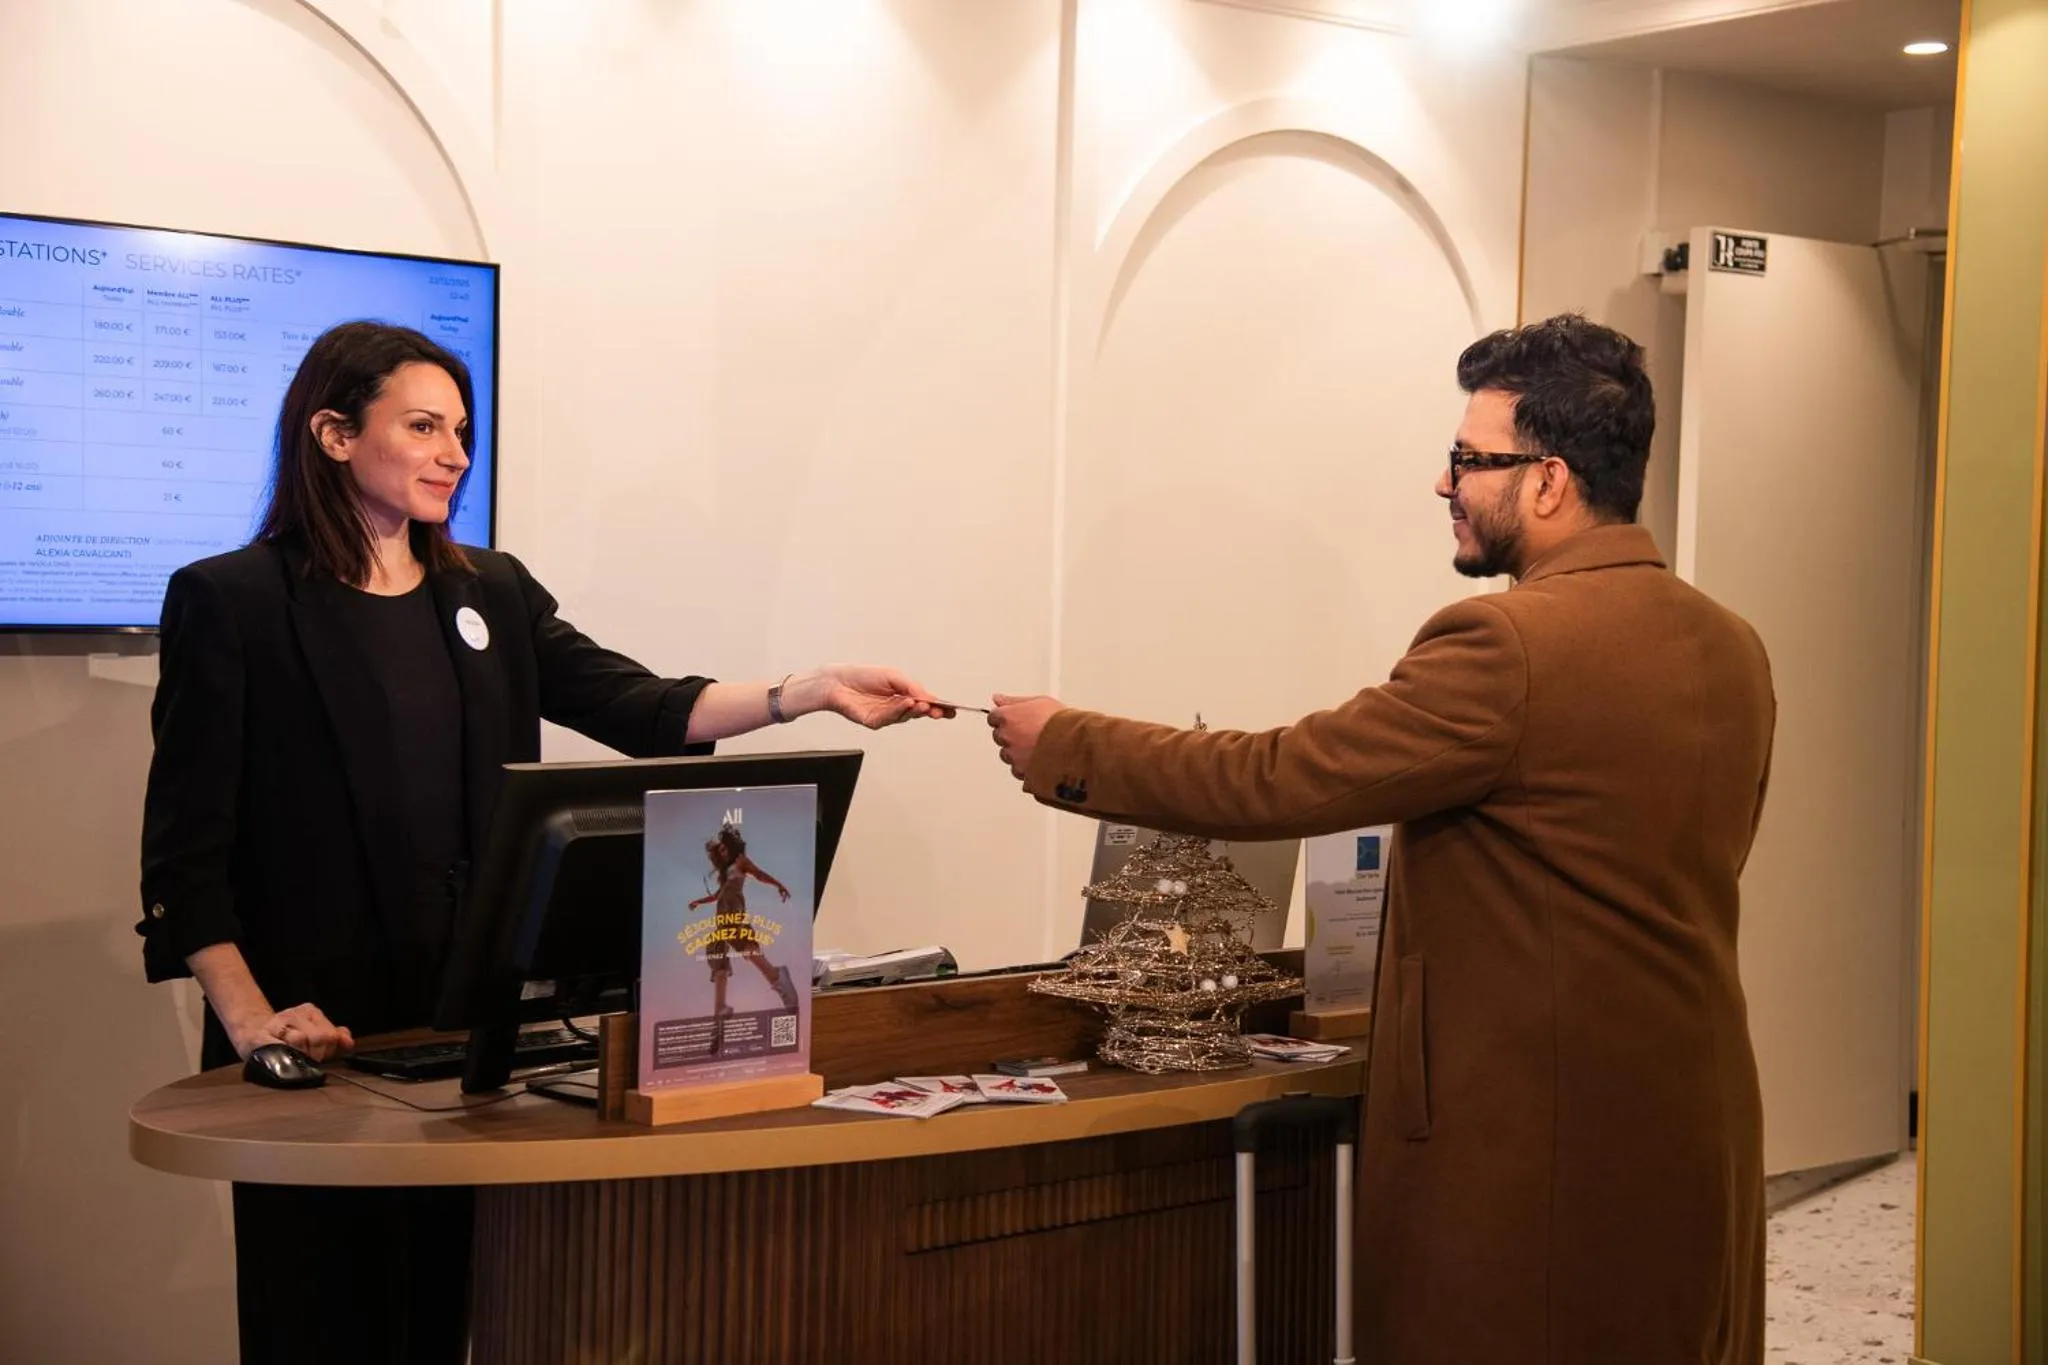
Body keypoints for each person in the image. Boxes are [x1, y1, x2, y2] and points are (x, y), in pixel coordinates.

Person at [135, 320, 948, 1365]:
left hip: (470, 1038)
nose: (452, 454)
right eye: (423, 426)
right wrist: (255, 1029)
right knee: (323, 1320)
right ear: (334, 434)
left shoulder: (489, 591)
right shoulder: (233, 601)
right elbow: (184, 852)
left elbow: (644, 705)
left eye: (461, 432)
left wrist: (809, 693)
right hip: (319, 1038)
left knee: (449, 1313)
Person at [987, 314, 1775, 1365]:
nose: (1442, 483)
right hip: (1691, 1117)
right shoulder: (1731, 643)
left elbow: (1275, 776)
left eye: (1465, 459)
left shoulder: (1504, 645)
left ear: (1545, 481)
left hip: (1531, 1145)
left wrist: (1067, 743)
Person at [687, 823, 801, 1048]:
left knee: (748, 951)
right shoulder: (725, 872)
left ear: (731, 846)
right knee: (718, 963)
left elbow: (759, 874)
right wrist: (698, 902)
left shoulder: (741, 862)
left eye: (723, 848)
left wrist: (779, 885)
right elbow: (717, 896)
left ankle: (777, 976)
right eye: (718, 851)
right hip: (722, 917)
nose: (721, 853)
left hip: (735, 912)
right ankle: (720, 1013)